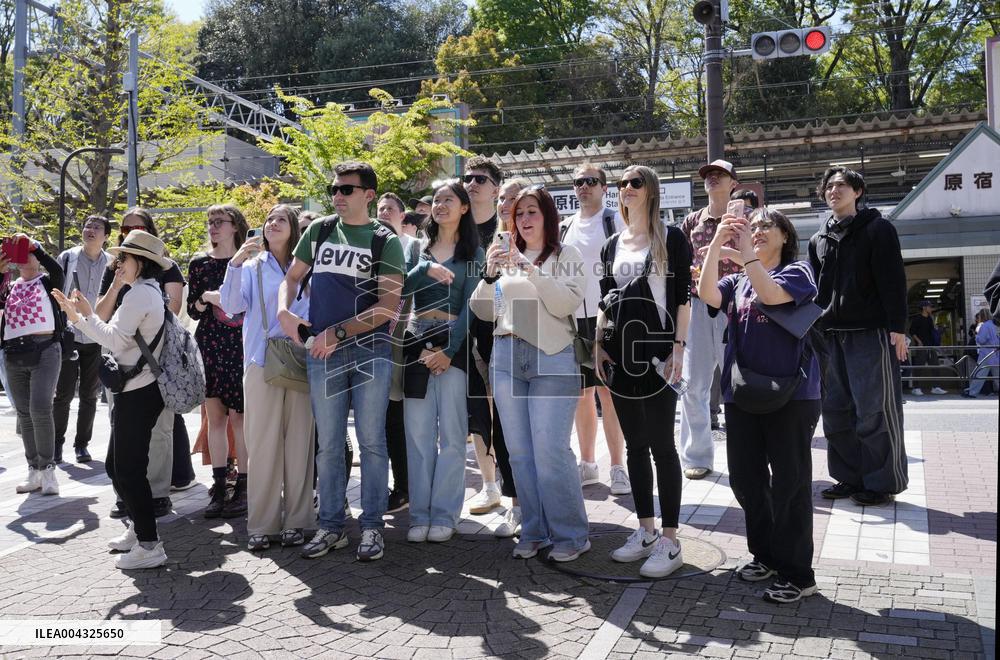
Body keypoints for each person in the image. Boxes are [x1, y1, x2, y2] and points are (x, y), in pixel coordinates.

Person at [278, 160, 405, 562]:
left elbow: (388, 306)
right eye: (334, 189)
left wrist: (337, 333)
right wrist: (284, 311)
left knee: (372, 442)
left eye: (346, 189)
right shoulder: (319, 230)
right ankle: (331, 527)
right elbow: (292, 278)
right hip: (322, 352)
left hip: (369, 352)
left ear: (369, 195)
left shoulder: (385, 240)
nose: (337, 195)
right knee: (329, 445)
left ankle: (372, 527)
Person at [699, 207, 822, 603]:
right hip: (742, 394)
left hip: (793, 395)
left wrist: (745, 256)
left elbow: (771, 294)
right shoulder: (737, 281)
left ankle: (798, 575)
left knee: (790, 485)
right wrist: (717, 243)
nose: (758, 231)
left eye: (768, 225)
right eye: (753, 227)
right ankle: (765, 556)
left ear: (786, 236)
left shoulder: (798, 272)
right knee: (746, 480)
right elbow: (706, 293)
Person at [470, 185, 590, 562]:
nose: (523, 219)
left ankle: (571, 535)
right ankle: (535, 530)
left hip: (552, 355)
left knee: (550, 449)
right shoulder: (501, 257)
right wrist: (490, 275)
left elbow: (564, 302)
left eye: (532, 211)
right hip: (507, 355)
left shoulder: (566, 254)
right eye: (518, 213)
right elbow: (482, 311)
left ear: (547, 216)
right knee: (520, 453)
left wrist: (527, 267)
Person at [53, 230, 173, 569]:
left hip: (140, 390)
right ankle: (139, 529)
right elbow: (118, 336)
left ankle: (150, 545)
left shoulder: (141, 295)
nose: (119, 263)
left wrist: (78, 317)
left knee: (128, 469)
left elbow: (113, 341)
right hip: (137, 389)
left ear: (141, 262)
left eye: (125, 258)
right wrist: (84, 315)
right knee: (116, 466)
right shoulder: (146, 291)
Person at [595, 165, 692, 578]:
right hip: (621, 353)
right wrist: (599, 345)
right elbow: (605, 300)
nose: (627, 188)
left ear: (651, 190)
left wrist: (679, 348)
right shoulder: (612, 244)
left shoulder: (671, 238)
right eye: (622, 184)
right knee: (635, 445)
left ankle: (670, 539)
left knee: (662, 445)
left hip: (658, 351)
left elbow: (683, 297)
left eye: (636, 182)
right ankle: (646, 530)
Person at [809, 166, 908, 508]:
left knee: (874, 410)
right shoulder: (818, 239)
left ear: (858, 191)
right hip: (829, 335)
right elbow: (816, 290)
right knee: (835, 410)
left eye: (841, 185)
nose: (833, 191)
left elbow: (893, 281)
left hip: (870, 333)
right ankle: (848, 477)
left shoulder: (878, 229)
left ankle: (881, 483)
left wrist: (898, 328)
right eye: (829, 186)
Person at [220, 204, 315, 551]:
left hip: (301, 358)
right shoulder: (251, 266)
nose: (273, 223)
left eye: (281, 219)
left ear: (294, 228)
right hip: (261, 360)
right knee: (262, 444)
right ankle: (262, 524)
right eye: (269, 219)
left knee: (299, 443)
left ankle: (299, 521)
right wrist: (234, 264)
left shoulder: (308, 266)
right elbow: (231, 306)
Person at [97, 208, 195, 518]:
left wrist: (135, 311)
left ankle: (157, 494)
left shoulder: (164, 269)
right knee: (120, 428)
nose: (130, 231)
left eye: (138, 226)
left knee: (160, 430)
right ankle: (127, 494)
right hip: (120, 360)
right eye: (126, 228)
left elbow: (172, 310)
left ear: (150, 229)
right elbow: (100, 315)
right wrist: (116, 286)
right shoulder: (116, 268)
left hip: (156, 359)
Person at [402, 180, 483, 543]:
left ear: (464, 207)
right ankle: (419, 514)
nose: (440, 205)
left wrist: (448, 353)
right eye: (436, 200)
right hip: (416, 343)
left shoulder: (474, 253)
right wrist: (422, 270)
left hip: (454, 345)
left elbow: (472, 307)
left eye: (448, 199)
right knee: (418, 435)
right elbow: (399, 291)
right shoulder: (416, 247)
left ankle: (446, 515)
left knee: (452, 435)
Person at [559, 163, 629, 496]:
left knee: (609, 393)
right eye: (578, 182)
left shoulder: (615, 220)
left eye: (590, 181)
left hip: (608, 319)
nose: (583, 187)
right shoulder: (565, 226)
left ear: (604, 187)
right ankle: (587, 463)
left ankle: (618, 466)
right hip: (573, 319)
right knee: (581, 394)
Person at [678, 159, 740, 480]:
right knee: (693, 384)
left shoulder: (747, 219)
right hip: (699, 305)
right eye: (709, 175)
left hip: (737, 305)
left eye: (720, 175)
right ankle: (697, 456)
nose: (713, 179)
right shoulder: (692, 221)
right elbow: (679, 260)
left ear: (733, 183)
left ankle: (746, 455)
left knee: (740, 383)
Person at [188, 204, 250, 518]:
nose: (213, 227)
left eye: (219, 221)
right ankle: (219, 485)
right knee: (215, 419)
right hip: (210, 345)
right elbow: (192, 310)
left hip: (241, 345)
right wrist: (206, 297)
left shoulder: (250, 261)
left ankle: (244, 487)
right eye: (210, 221)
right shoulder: (199, 264)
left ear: (235, 226)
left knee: (240, 420)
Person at [1, 234, 65, 496]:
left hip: (45, 350)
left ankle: (48, 470)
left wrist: (35, 246)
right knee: (24, 414)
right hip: (14, 353)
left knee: (40, 408)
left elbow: (57, 269)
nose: (27, 258)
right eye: (22, 253)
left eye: (31, 254)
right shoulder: (9, 286)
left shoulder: (48, 282)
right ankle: (34, 469)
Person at [463, 155, 506, 515]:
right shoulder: (453, 227)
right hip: (464, 329)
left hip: (504, 327)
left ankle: (514, 485)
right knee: (477, 408)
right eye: (467, 179)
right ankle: (488, 485)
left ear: (495, 189)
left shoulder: (508, 227)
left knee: (506, 408)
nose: (471, 184)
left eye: (480, 179)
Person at [488, 176, 530, 538]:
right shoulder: (494, 245)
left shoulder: (541, 244)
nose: (505, 205)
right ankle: (516, 505)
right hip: (500, 344)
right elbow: (485, 303)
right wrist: (488, 271)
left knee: (540, 435)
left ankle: (542, 506)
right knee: (504, 432)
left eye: (513, 199)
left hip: (538, 347)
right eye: (502, 198)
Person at [52, 215, 112, 464]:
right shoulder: (68, 257)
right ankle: (56, 444)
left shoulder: (112, 263)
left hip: (97, 335)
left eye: (97, 228)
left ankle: (82, 445)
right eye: (88, 226)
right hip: (70, 333)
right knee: (63, 393)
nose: (91, 230)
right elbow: (54, 291)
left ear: (106, 236)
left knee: (90, 394)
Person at [377, 191, 414, 512]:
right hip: (370, 343)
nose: (384, 212)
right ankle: (390, 485)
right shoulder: (371, 246)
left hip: (403, 344)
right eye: (380, 208)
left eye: (390, 208)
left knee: (397, 418)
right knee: (379, 419)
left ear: (403, 215)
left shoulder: (413, 248)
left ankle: (405, 486)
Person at [908, 301, 946, 395]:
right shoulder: (917, 319)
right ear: (924, 308)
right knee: (919, 367)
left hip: (931, 346)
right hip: (921, 346)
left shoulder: (930, 318)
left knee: (935, 365)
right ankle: (916, 388)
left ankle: (936, 387)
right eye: (929, 306)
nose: (931, 308)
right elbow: (912, 331)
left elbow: (933, 331)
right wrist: (919, 341)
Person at [964, 310, 999, 398]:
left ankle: (972, 392)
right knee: (997, 375)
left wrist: (976, 336)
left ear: (982, 316)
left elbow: (982, 340)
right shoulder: (994, 325)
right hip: (995, 353)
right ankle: (972, 391)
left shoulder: (984, 326)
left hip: (986, 354)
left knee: (979, 373)